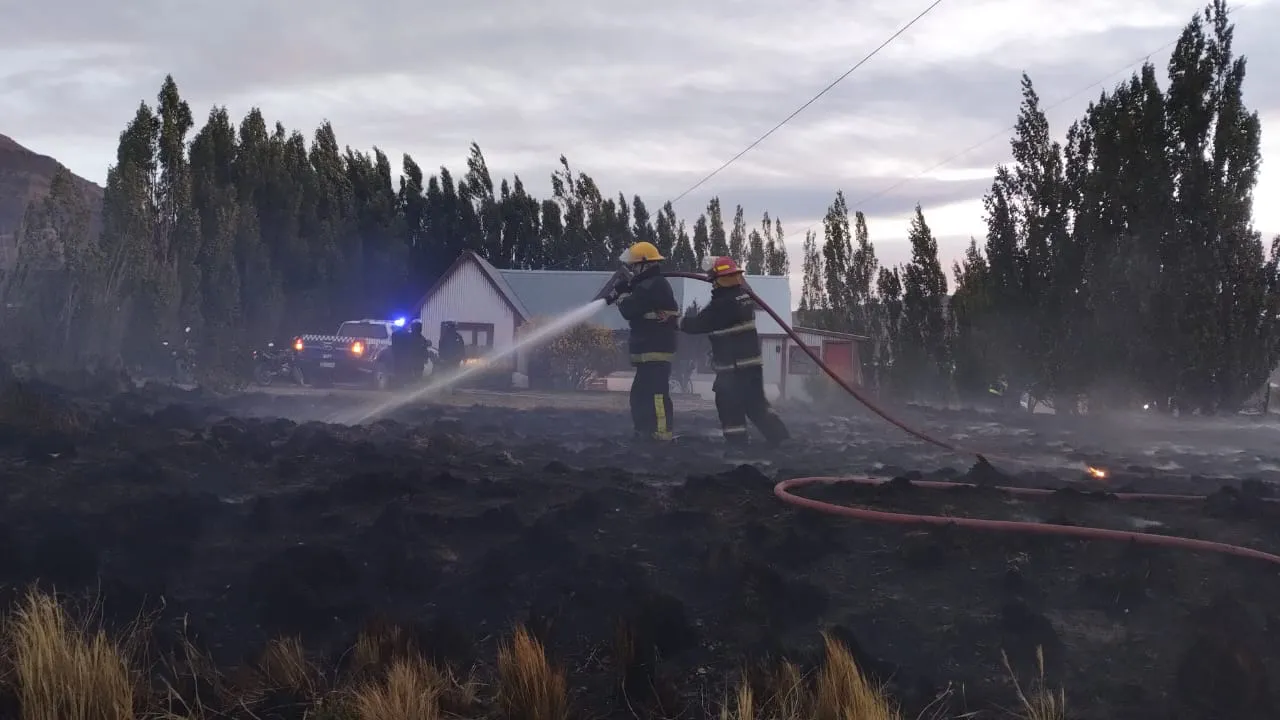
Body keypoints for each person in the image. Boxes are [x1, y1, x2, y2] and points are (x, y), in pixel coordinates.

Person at [679, 256, 789, 446]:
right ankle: (781, 439)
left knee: (729, 407)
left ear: (716, 279)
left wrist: (676, 321)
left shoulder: (722, 304)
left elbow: (697, 324)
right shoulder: (744, 297)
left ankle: (737, 446)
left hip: (733, 369)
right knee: (756, 406)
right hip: (751, 366)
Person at [605, 241, 679, 442]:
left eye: (635, 265)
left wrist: (621, 296)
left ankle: (662, 435)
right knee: (639, 396)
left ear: (646, 265)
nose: (632, 270)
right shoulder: (646, 284)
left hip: (656, 351)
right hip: (648, 352)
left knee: (656, 396)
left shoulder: (653, 285)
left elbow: (630, 309)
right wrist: (628, 289)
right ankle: (643, 432)